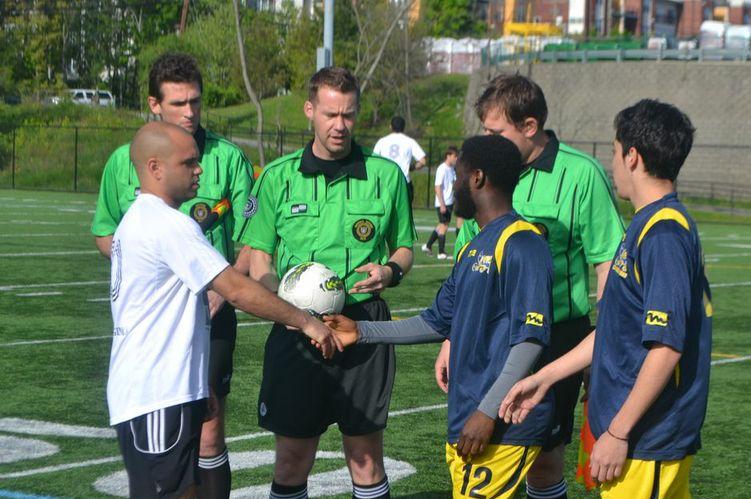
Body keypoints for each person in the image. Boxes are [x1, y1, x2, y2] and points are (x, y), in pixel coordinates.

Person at [108, 122, 339, 499]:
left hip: (165, 390)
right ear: (155, 168)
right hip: (156, 394)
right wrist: (305, 321)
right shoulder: (168, 225)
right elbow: (235, 288)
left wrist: (196, 384)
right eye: (188, 163)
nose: (199, 170)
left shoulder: (142, 219)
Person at [501, 99, 711, 499]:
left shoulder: (664, 235)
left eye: (614, 152)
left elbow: (666, 347)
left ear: (632, 156)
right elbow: (616, 328)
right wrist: (545, 377)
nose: (612, 163)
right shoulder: (645, 224)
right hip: (634, 435)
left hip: (646, 440)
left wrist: (618, 431)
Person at [326, 135, 555, 498]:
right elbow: (434, 322)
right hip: (469, 415)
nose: (454, 185)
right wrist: (361, 330)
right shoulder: (473, 245)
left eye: (459, 174)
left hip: (502, 423)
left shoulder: (522, 242)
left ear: (477, 178)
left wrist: (487, 412)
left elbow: (530, 340)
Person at [440, 74, 625, 499]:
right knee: (480, 451)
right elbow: (468, 260)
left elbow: (606, 264)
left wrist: (603, 347)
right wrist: (453, 334)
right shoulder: (486, 173)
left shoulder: (580, 174)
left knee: (544, 459)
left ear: (528, 127)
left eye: (495, 132)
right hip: (486, 338)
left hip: (554, 339)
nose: (485, 140)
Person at [238, 67, 416, 499]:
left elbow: (405, 249)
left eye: (349, 115)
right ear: (310, 111)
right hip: (295, 327)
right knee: (292, 459)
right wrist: (283, 300)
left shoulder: (386, 176)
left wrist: (389, 271)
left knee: (366, 458)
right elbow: (259, 255)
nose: (340, 125)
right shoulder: (278, 176)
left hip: (363, 326)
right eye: (331, 114)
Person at [91, 53, 253, 498]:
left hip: (214, 309)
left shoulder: (227, 158)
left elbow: (250, 238)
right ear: (154, 104)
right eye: (179, 103)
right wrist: (155, 269)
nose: (189, 112)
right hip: (158, 321)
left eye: (196, 102)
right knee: (166, 449)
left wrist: (220, 285)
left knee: (209, 428)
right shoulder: (125, 161)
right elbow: (107, 234)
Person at [373, 116, 426, 206]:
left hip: (386, 182)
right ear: (404, 128)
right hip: (403, 182)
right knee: (404, 213)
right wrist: (412, 167)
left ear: (390, 127)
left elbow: (374, 161)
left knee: (385, 211)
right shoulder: (410, 141)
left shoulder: (382, 141)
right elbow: (423, 161)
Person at [422, 146, 459, 259]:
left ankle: (428, 246)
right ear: (448, 156)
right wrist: (442, 204)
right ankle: (441, 252)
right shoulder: (442, 168)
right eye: (454, 156)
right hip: (443, 202)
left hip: (449, 202)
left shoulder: (452, 169)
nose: (456, 158)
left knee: (442, 225)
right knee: (444, 226)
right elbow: (437, 187)